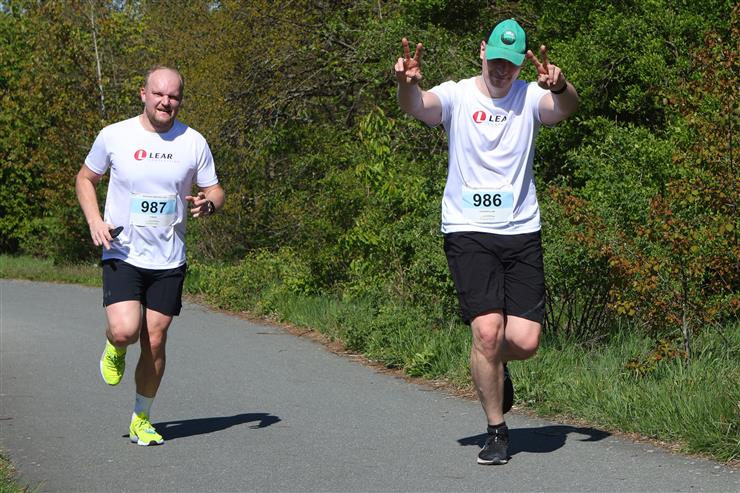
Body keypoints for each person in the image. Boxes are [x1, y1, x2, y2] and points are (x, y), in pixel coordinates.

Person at [395, 19, 579, 465]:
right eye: (495, 60)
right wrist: (406, 84)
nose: (501, 70)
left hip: (521, 229)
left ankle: (493, 362)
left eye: (510, 65)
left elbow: (567, 108)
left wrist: (560, 85)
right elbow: (418, 106)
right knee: (487, 330)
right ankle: (496, 431)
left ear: (521, 66)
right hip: (468, 229)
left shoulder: (530, 97)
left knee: (526, 341)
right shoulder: (457, 95)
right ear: (482, 51)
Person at [76, 65, 225, 446]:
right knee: (125, 330)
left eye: (173, 96)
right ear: (143, 94)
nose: (165, 102)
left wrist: (209, 204)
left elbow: (215, 190)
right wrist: (94, 220)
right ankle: (115, 346)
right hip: (122, 251)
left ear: (181, 100)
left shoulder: (193, 142)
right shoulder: (115, 135)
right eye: (159, 94)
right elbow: (85, 178)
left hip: (168, 259)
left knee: (155, 341)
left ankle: (141, 418)